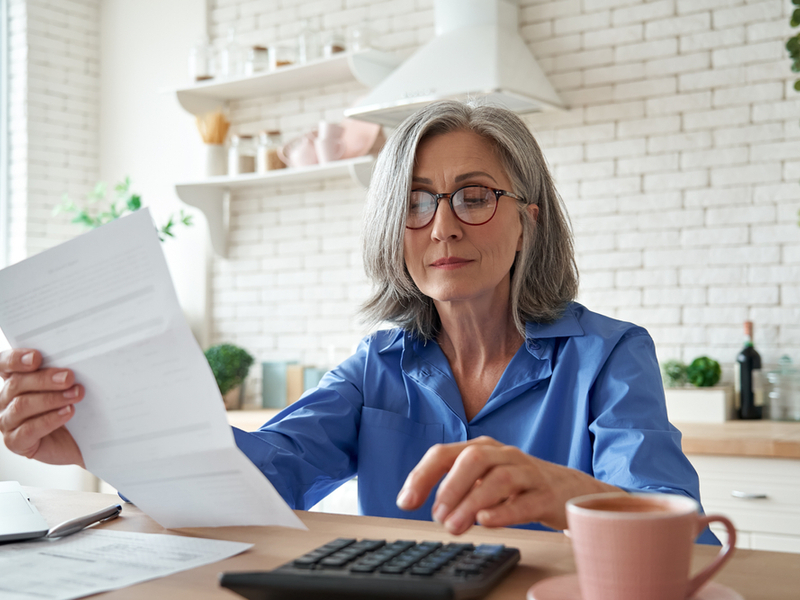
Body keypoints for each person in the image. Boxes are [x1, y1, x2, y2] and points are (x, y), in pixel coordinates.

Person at [0, 100, 717, 543]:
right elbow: (260, 477)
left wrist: (568, 496)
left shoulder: (609, 356)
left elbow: (689, 539)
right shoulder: (377, 366)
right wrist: (103, 441)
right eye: (414, 201)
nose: (441, 227)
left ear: (527, 223)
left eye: (473, 197)